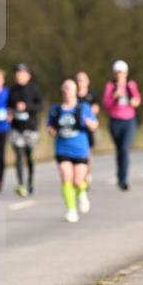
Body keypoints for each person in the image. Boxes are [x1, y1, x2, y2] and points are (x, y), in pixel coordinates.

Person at [47, 79, 97, 223]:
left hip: (80, 149)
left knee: (77, 180)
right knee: (65, 176)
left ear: (75, 91)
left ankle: (82, 193)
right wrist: (51, 131)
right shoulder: (56, 109)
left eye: (70, 88)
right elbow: (50, 127)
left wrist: (90, 124)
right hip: (62, 149)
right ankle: (71, 210)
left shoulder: (83, 108)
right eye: (65, 88)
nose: (67, 91)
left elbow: (94, 124)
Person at [102, 60, 141, 191]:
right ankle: (120, 175)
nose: (120, 75)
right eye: (118, 72)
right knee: (119, 150)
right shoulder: (110, 86)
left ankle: (124, 179)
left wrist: (133, 100)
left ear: (126, 73)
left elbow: (137, 100)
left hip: (129, 120)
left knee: (125, 149)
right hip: (115, 120)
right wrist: (114, 96)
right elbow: (106, 105)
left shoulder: (131, 85)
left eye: (122, 72)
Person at [7, 63, 43, 196]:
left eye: (21, 73)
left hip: (30, 128)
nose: (18, 75)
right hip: (16, 128)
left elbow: (40, 106)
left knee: (29, 155)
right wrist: (9, 114)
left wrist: (26, 107)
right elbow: (9, 107)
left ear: (28, 75)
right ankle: (20, 183)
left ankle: (30, 180)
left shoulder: (34, 89)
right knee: (18, 155)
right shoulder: (12, 90)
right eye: (16, 73)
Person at [76, 71, 100, 185]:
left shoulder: (92, 95)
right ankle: (80, 175)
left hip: (88, 128)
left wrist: (88, 117)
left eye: (82, 80)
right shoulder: (72, 95)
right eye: (78, 80)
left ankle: (87, 174)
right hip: (76, 129)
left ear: (87, 82)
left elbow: (95, 109)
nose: (79, 83)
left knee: (88, 153)